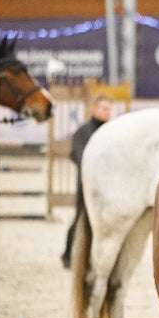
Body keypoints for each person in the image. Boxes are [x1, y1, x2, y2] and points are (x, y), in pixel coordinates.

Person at [60, 94, 114, 268]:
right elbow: (77, 155)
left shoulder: (111, 131)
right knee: (81, 218)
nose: (107, 112)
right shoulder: (83, 132)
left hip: (107, 184)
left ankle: (94, 257)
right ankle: (68, 255)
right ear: (94, 109)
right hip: (87, 184)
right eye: (104, 109)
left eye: (109, 109)